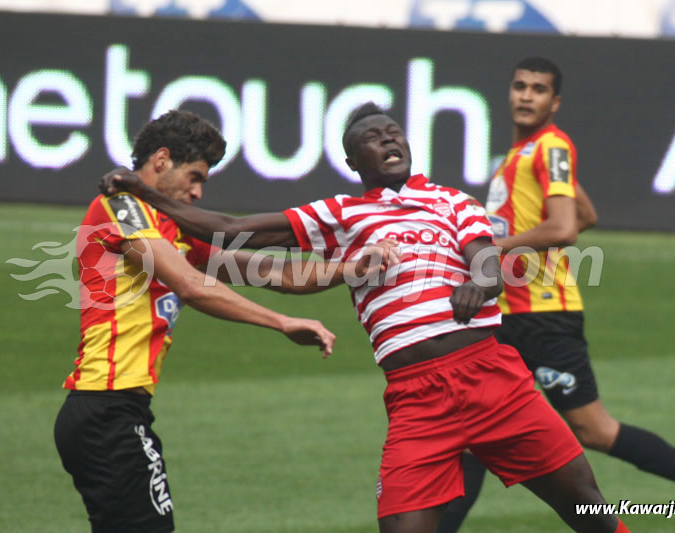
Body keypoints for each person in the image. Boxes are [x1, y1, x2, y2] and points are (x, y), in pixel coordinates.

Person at [102, 103, 632, 533]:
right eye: (374, 139)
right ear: (356, 163)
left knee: (587, 508)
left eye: (395, 132)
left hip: (493, 377)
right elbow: (230, 227)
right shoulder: (340, 215)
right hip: (417, 398)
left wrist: (481, 282)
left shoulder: (452, 202)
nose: (390, 141)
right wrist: (147, 194)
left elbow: (487, 258)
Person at [437, 56, 675, 533]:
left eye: (538, 89)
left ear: (554, 102)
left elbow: (566, 228)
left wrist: (498, 247)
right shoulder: (517, 156)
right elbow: (585, 212)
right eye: (520, 86)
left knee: (593, 429)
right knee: (474, 436)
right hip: (509, 316)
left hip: (545, 318)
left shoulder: (551, 146)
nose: (526, 95)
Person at [54, 109, 357, 533]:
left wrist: (350, 269)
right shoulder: (119, 206)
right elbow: (192, 286)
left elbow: (269, 271)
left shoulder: (169, 228)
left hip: (120, 408)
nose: (197, 193)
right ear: (161, 160)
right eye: (194, 177)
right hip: (105, 407)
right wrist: (281, 323)